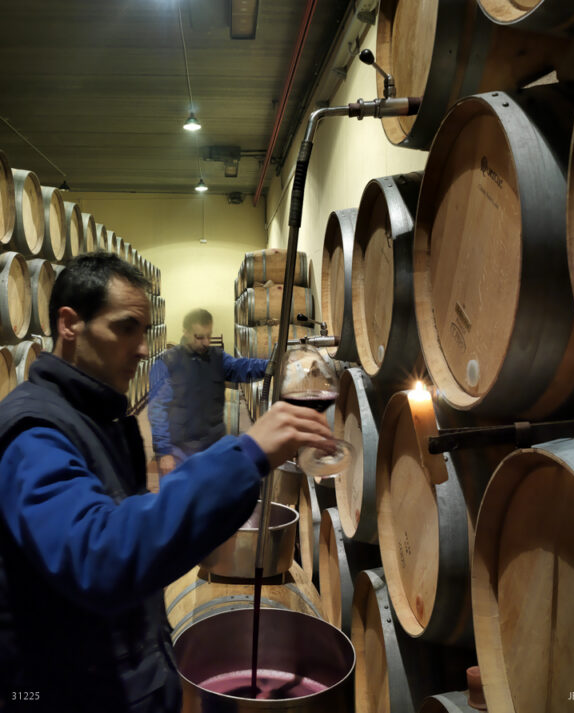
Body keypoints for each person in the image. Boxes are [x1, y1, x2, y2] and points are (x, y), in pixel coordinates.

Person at [0, 253, 332, 712]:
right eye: (125, 328)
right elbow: (102, 554)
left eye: (143, 330)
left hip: (116, 678)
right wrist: (244, 456)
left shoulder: (96, 416)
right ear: (69, 324)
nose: (141, 347)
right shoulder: (33, 434)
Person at [148, 308, 266, 475]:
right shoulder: (167, 363)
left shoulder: (217, 357)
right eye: (199, 337)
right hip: (179, 451)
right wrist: (164, 452)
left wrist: (271, 365)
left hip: (212, 447)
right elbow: (157, 410)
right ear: (186, 332)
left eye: (209, 336)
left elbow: (242, 367)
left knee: (211, 498)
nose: (206, 342)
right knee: (181, 499)